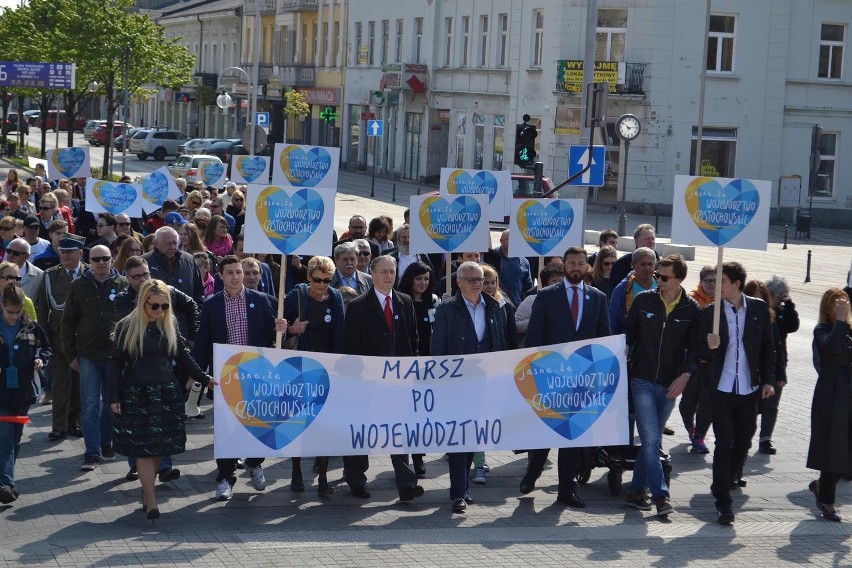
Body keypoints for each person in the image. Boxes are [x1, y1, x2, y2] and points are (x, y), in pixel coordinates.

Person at [108, 279, 213, 520]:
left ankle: (147, 493)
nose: (159, 311)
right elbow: (115, 363)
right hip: (136, 393)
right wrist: (113, 396)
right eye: (154, 306)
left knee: (158, 447)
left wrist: (204, 377)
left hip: (165, 391)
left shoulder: (169, 323)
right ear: (143, 302)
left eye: (164, 306)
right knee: (144, 449)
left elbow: (183, 355)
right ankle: (151, 499)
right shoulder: (127, 326)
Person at [522, 246, 611, 508]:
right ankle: (533, 472)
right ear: (564, 265)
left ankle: (566, 491)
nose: (575, 267)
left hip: (582, 379)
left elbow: (603, 339)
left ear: (586, 267)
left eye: (580, 263)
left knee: (573, 435)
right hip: (551, 377)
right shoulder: (547, 295)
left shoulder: (598, 298)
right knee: (545, 433)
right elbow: (534, 337)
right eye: (571, 263)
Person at [193, 255, 286, 501]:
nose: (236, 277)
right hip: (226, 375)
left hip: (256, 373)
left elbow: (270, 337)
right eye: (230, 272)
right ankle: (225, 478)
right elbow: (203, 340)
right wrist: (196, 374)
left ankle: (254, 463)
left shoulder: (260, 300)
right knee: (227, 428)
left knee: (259, 423)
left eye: (239, 272)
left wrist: (280, 330)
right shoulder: (211, 305)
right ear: (221, 276)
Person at [694, 261, 776, 525]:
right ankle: (722, 499)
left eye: (722, 282)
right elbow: (699, 353)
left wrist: (769, 380)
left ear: (736, 284)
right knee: (724, 441)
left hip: (748, 388)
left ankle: (727, 478)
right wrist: (709, 346)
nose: (716, 286)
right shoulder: (711, 313)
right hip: (721, 388)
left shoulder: (759, 308)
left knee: (744, 440)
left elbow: (768, 347)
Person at [622, 254, 701, 517]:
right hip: (642, 379)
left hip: (670, 384)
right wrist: (623, 345)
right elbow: (629, 330)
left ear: (679, 279)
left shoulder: (690, 310)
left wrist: (686, 375)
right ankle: (661, 496)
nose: (659, 280)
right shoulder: (644, 300)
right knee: (651, 439)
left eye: (664, 277)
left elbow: (696, 351)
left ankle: (635, 491)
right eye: (657, 275)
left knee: (649, 442)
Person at [430, 261, 512, 513]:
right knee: (458, 438)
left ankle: (463, 487)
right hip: (456, 384)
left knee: (473, 438)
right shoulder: (447, 310)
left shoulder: (496, 307)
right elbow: (438, 348)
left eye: (480, 279)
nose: (478, 284)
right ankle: (458, 493)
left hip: (485, 384)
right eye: (472, 280)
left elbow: (502, 343)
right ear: (459, 282)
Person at [342, 255, 423, 502]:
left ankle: (407, 483)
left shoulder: (405, 301)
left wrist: (413, 372)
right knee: (364, 431)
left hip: (398, 382)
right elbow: (350, 348)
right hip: (367, 382)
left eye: (392, 272)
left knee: (399, 430)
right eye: (384, 272)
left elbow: (413, 339)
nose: (389, 276)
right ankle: (356, 478)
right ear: (373, 275)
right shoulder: (358, 306)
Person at [61, 244, 128, 471]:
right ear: (89, 260)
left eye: (105, 258)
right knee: (89, 405)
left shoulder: (123, 285)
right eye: (96, 259)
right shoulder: (79, 285)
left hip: (114, 355)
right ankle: (91, 452)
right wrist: (70, 355)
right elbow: (67, 322)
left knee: (111, 404)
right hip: (87, 354)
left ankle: (106, 442)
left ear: (112, 259)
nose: (101, 262)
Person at [283, 256, 344, 496]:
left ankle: (323, 478)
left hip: (326, 370)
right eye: (317, 280)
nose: (321, 285)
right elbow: (278, 326)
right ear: (309, 277)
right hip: (299, 368)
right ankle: (296, 472)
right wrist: (290, 328)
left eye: (327, 280)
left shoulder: (336, 297)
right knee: (298, 422)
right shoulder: (296, 297)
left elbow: (341, 331)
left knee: (324, 425)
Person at [0, 283, 51, 505]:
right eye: (9, 312)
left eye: (17, 312)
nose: (13, 317)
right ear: (2, 306)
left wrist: (41, 359)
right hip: (1, 393)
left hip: (23, 393)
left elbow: (46, 348)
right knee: (5, 436)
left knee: (15, 438)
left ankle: (4, 479)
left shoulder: (31, 327)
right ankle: (6, 484)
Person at [807, 288, 852, 522]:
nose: (842, 307)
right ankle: (828, 502)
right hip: (831, 395)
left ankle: (820, 486)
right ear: (827, 308)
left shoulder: (848, 331)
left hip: (848, 393)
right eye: (837, 304)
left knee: (847, 450)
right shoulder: (822, 330)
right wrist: (842, 322)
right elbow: (833, 347)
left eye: (845, 304)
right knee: (834, 448)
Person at [35, 237, 86, 442]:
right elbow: (41, 308)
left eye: (70, 252)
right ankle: (59, 426)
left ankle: (76, 423)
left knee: (80, 384)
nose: (65, 255)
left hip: (83, 339)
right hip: (57, 339)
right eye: (62, 251)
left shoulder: (89, 273)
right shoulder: (50, 275)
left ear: (80, 254)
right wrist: (45, 339)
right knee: (60, 384)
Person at [397, 260, 439, 478]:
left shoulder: (434, 302)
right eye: (419, 278)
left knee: (422, 415)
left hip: (429, 366)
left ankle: (419, 456)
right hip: (407, 364)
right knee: (406, 414)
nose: (423, 283)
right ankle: (406, 458)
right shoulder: (401, 302)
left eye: (426, 279)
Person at [760, 274, 800, 455]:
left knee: (772, 404)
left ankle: (765, 438)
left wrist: (789, 304)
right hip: (758, 363)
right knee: (753, 404)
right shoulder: (759, 308)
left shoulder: (784, 312)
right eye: (779, 295)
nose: (781, 299)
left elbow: (793, 326)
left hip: (778, 363)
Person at [680, 264, 717, 454]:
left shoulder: (723, 301)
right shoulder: (691, 300)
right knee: (688, 402)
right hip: (694, 359)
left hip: (713, 363)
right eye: (708, 280)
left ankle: (700, 435)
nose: (712, 284)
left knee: (707, 402)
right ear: (701, 281)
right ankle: (690, 426)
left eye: (715, 281)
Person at [143, 226, 205, 308]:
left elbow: (199, 291)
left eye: (175, 243)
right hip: (156, 317)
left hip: (186, 317)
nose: (172, 247)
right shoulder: (144, 263)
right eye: (168, 243)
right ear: (156, 243)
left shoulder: (189, 260)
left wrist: (196, 314)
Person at [609, 247, 657, 335]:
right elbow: (614, 322)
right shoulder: (622, 290)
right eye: (643, 264)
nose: (647, 268)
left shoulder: (663, 285)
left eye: (650, 264)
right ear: (633, 265)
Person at [515, 263, 564, 346]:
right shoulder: (532, 300)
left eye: (561, 281)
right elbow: (516, 325)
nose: (558, 284)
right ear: (545, 283)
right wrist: (538, 320)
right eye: (554, 281)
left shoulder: (570, 302)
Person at [482, 230, 533, 307]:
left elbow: (528, 285)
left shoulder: (524, 261)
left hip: (516, 305)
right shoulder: (492, 257)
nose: (511, 242)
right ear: (501, 241)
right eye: (508, 239)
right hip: (496, 303)